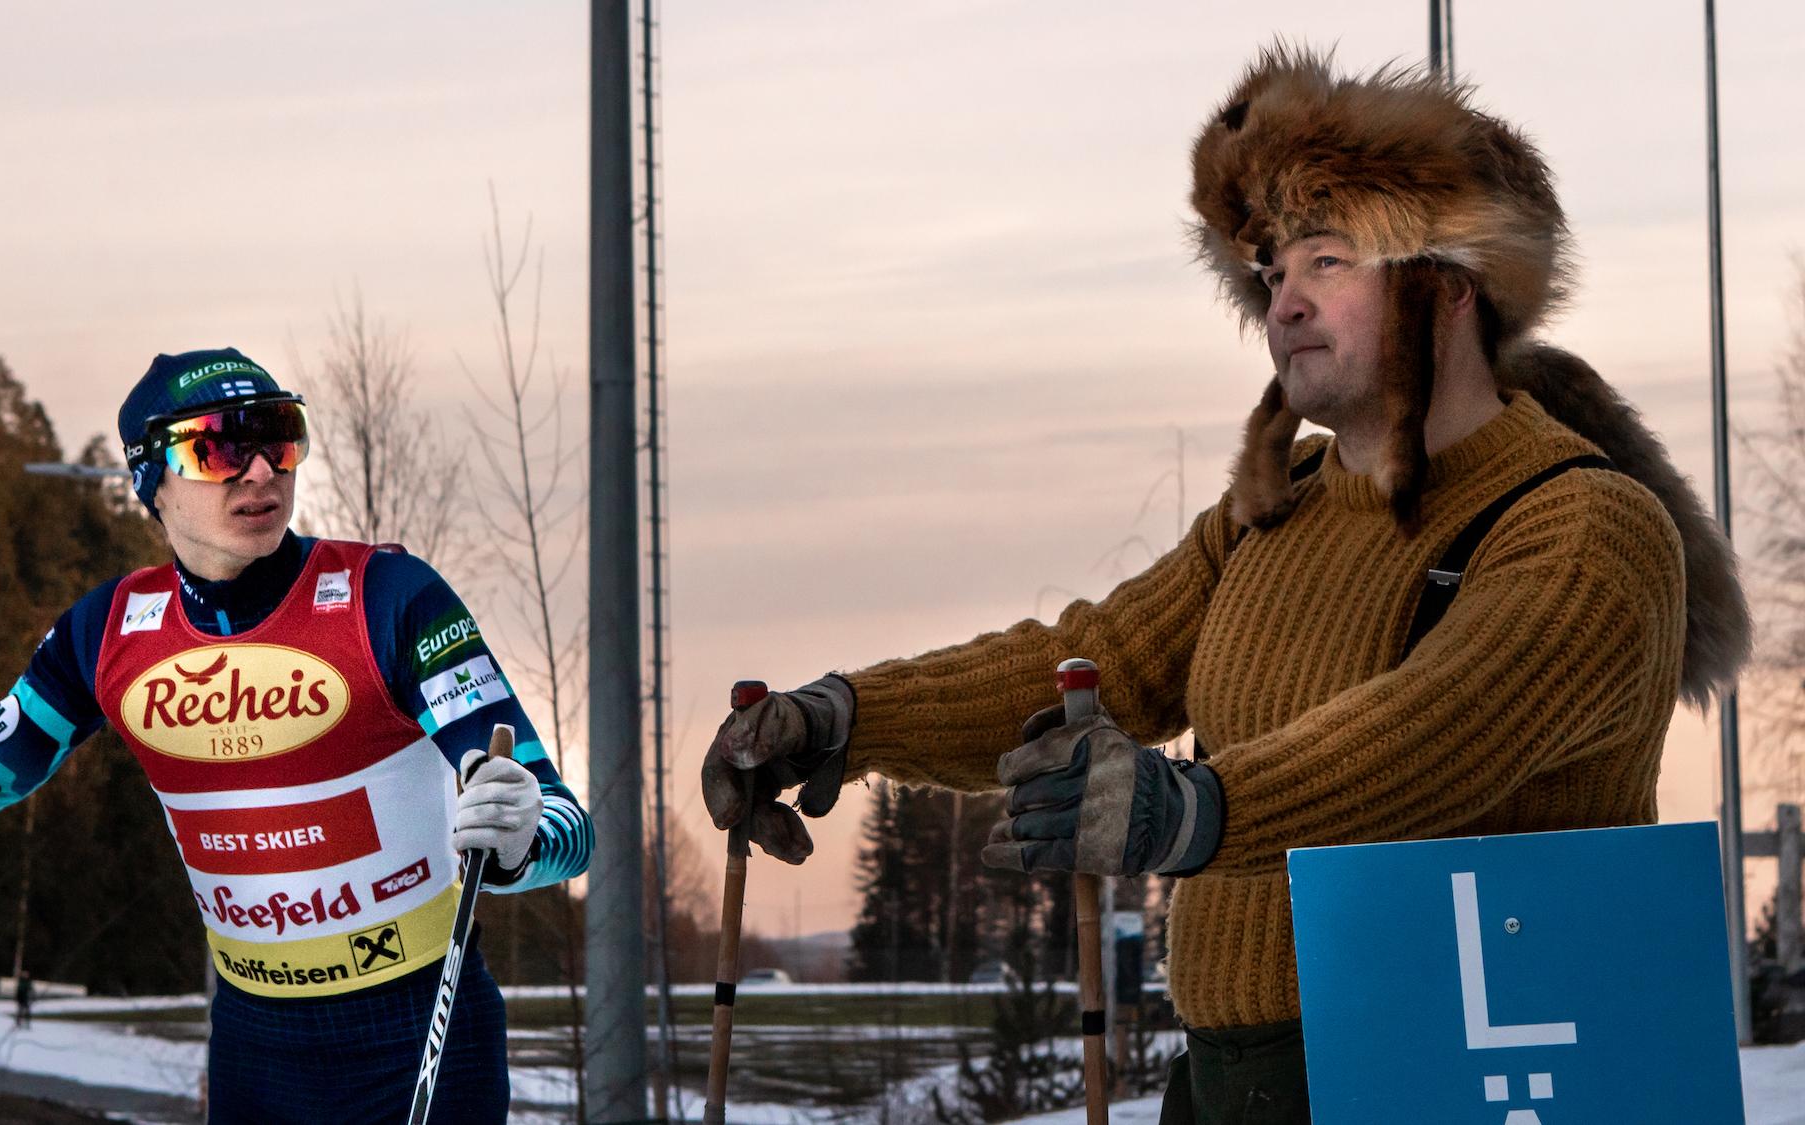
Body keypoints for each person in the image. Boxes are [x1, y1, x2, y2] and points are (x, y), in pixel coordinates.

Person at [702, 46, 1750, 1124]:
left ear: (1447, 283)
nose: (1282, 304)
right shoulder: (1275, 509)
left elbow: (1424, 743)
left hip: (1475, 1076)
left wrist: (1188, 809)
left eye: (1327, 261)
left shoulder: (1585, 532)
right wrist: (839, 716)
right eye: (1271, 274)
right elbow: (1092, 660)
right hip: (1231, 1082)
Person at [0, 348, 592, 1123]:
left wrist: (521, 841)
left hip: (421, 1028)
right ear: (152, 479)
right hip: (255, 1043)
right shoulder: (104, 633)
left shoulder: (387, 597)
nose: (260, 472)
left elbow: (565, 823)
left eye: (280, 436)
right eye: (217, 447)